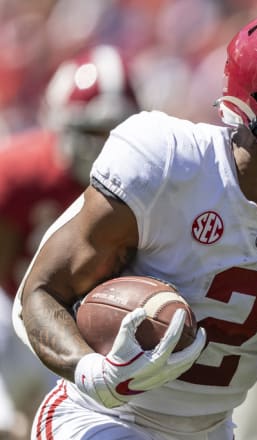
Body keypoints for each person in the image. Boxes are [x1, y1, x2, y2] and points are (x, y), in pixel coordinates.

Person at [12, 7, 257, 440]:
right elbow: (38, 294)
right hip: (102, 419)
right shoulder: (168, 161)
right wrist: (92, 370)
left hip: (209, 430)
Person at [0, 44, 139, 438]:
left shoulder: (148, 186)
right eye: (91, 131)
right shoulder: (20, 173)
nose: (101, 147)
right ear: (60, 125)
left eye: (113, 132)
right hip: (12, 311)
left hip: (86, 327)